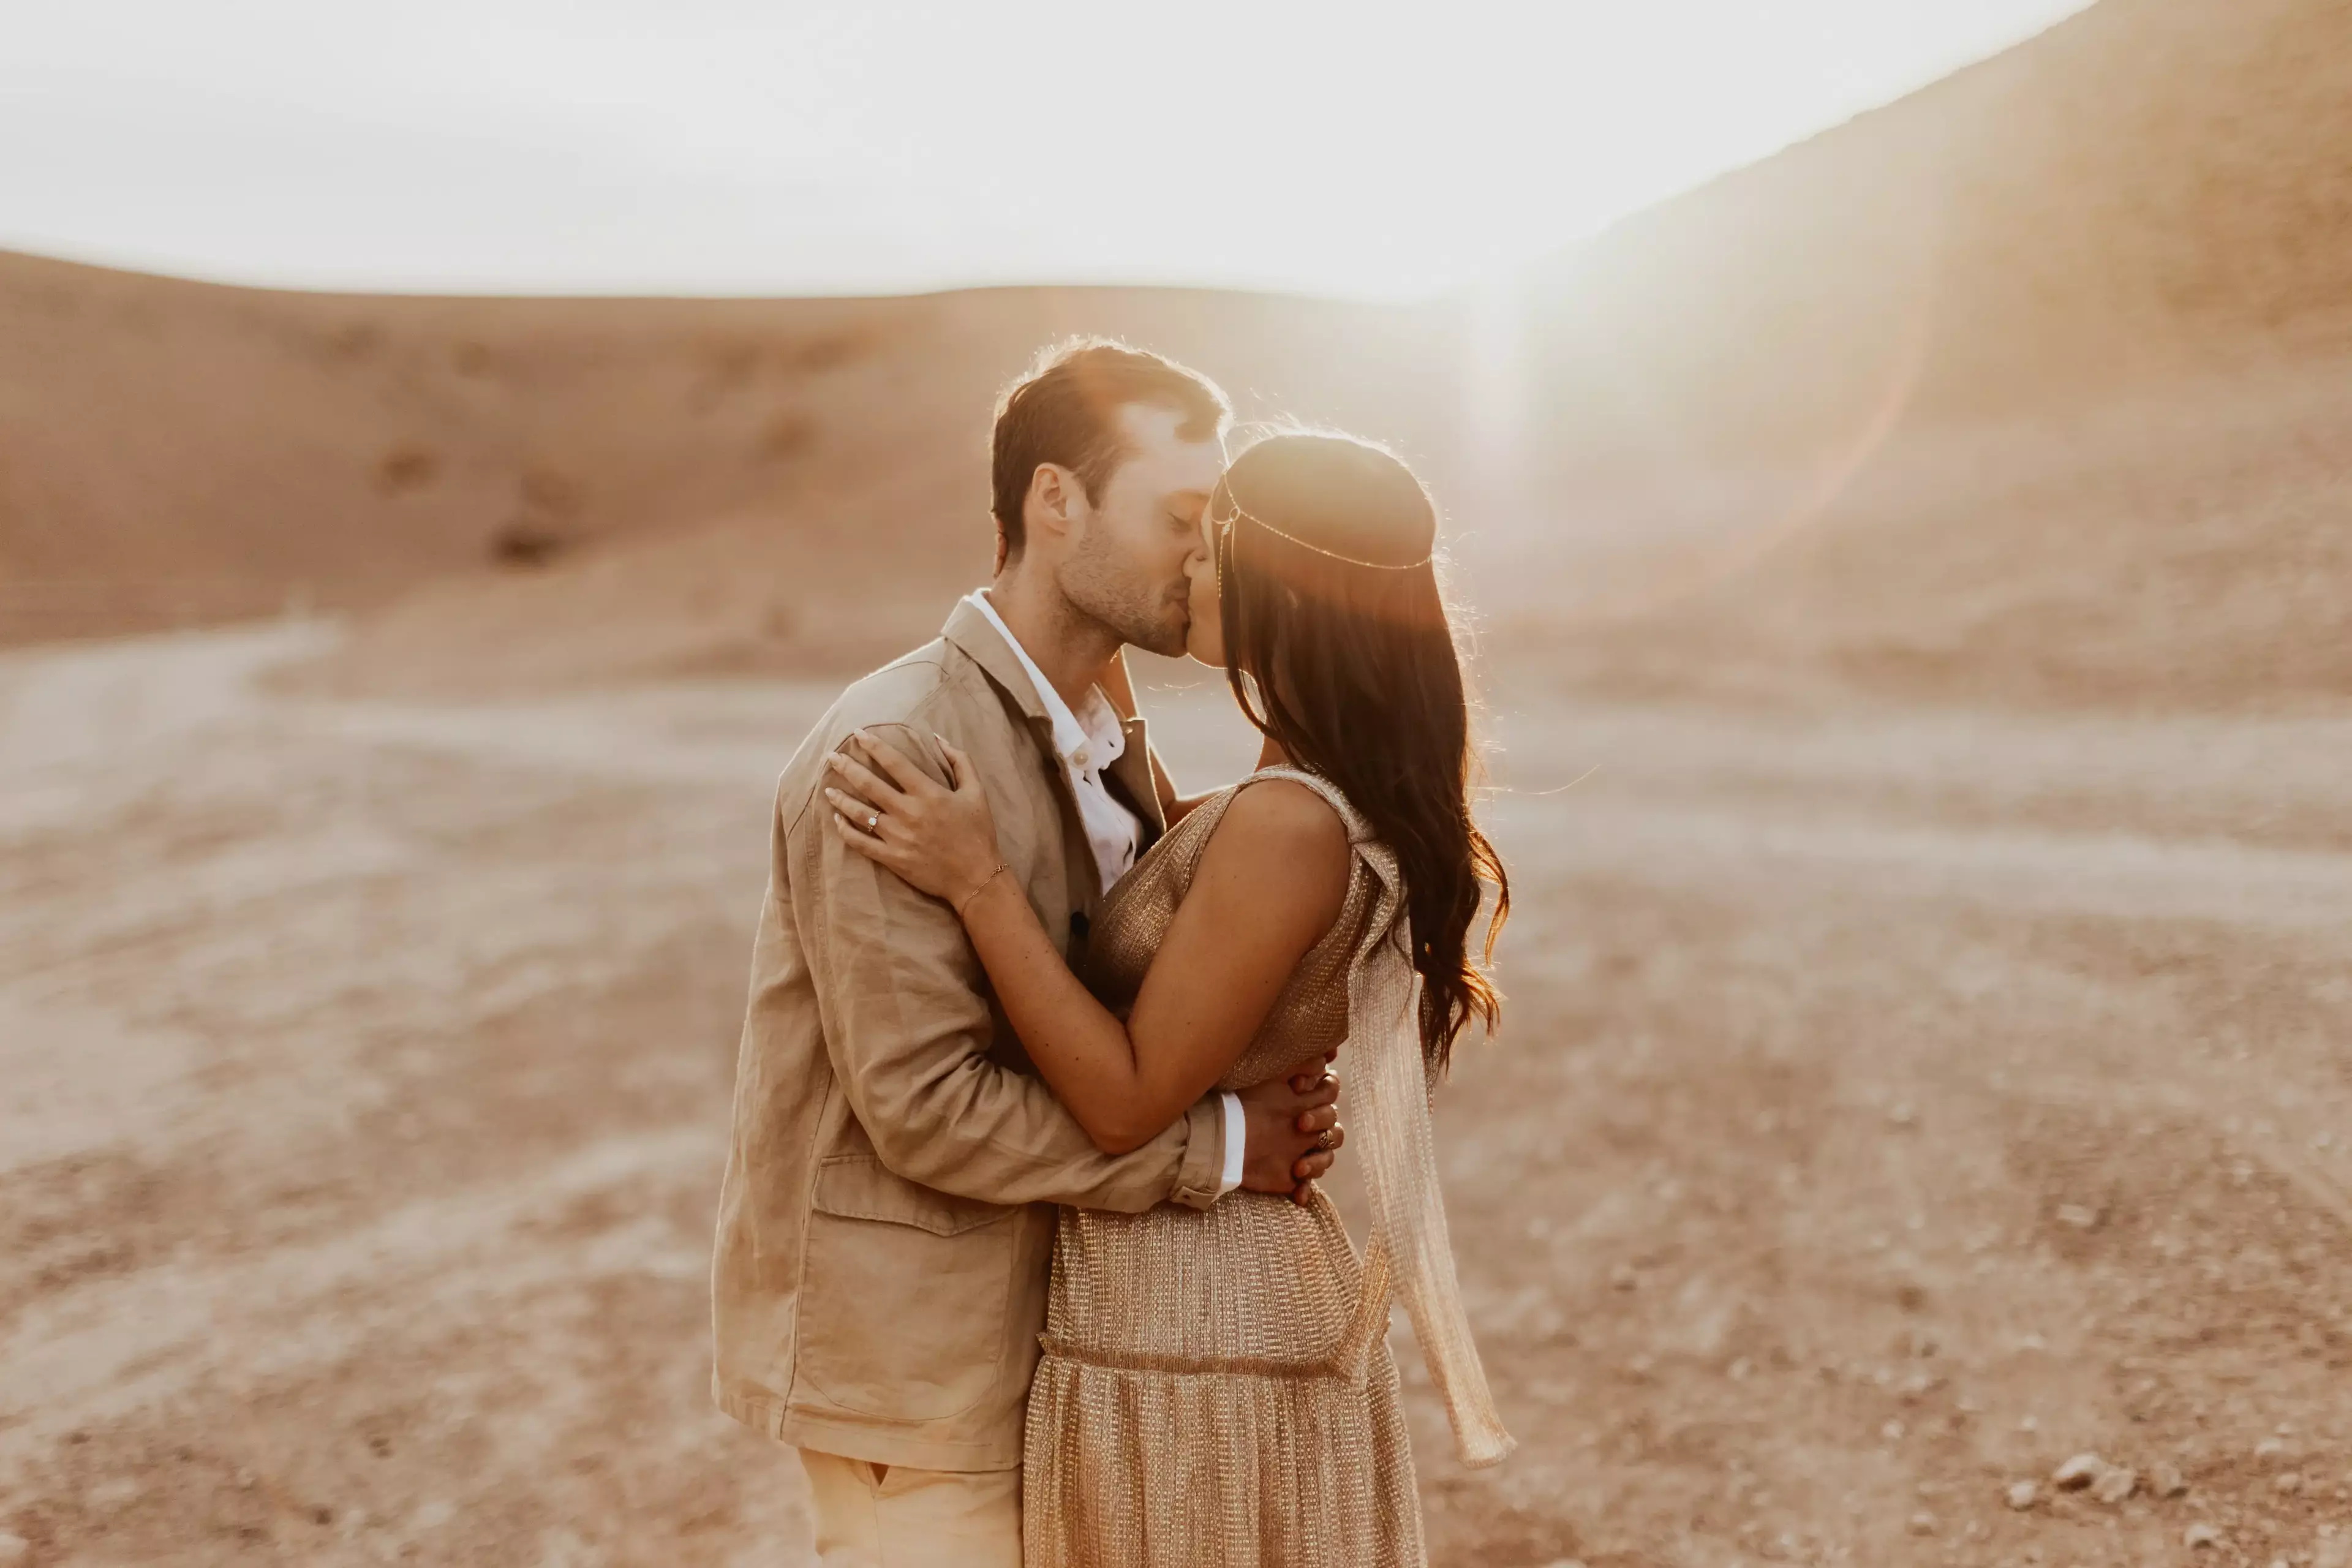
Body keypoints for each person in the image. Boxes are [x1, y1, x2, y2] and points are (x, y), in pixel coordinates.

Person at [823, 428, 1515, 1566]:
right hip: (1180, 1306)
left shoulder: (1290, 825)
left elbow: (1127, 1099)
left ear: (1274, 584)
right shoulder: (1289, 793)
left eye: (1208, 543)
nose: (1186, 567)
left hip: (1201, 1325)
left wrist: (976, 876)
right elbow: (1152, 857)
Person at [709, 340, 1349, 1568]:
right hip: (922, 1374)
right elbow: (925, 1106)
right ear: (1054, 503)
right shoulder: (900, 749)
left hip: (1061, 1345)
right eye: (1176, 516)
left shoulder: (1105, 731)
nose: (1205, 554)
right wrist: (1219, 1146)